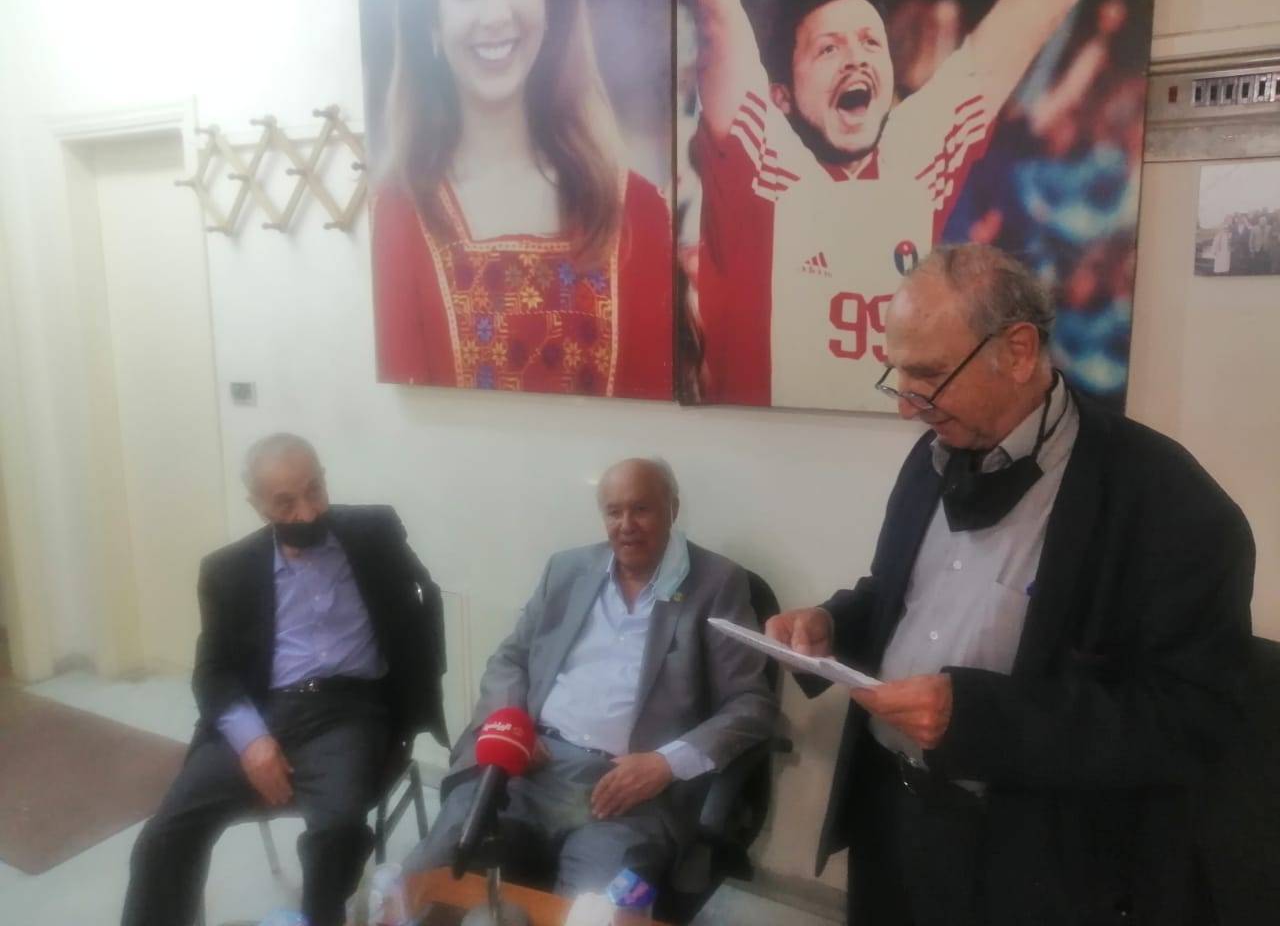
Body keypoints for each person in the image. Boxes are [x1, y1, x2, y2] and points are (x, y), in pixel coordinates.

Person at [765, 244, 1254, 926]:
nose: (906, 407)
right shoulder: (931, 457)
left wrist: (977, 719)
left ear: (1018, 351)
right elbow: (899, 595)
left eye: (927, 374)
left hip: (1036, 864)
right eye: (897, 373)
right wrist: (832, 624)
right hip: (889, 821)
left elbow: (1190, 721)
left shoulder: (1167, 501)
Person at [687, 0, 1101, 409]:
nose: (856, 58)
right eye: (828, 48)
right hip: (761, 444)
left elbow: (1034, 5)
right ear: (781, 97)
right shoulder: (760, 159)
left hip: (893, 445)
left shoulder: (915, 158)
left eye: (871, 42)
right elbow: (717, 11)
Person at [407, 458, 777, 894]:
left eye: (641, 509)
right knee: (429, 878)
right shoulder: (567, 569)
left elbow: (750, 704)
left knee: (593, 909)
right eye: (614, 512)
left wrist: (664, 764)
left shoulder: (716, 583)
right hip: (529, 767)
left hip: (626, 791)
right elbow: (511, 657)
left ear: (672, 509)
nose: (626, 525)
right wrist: (512, 723)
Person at [121, 434, 447, 926]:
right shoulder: (228, 571)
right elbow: (212, 671)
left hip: (350, 710)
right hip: (262, 710)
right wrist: (252, 741)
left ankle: (321, 917)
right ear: (258, 507)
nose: (308, 512)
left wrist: (415, 699)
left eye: (314, 490)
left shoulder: (373, 532)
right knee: (164, 836)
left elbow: (422, 604)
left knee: (337, 828)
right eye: (285, 503)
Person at [372, 0, 672, 400]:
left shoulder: (639, 211)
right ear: (431, 22)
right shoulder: (398, 213)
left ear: (551, 3)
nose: (496, 14)